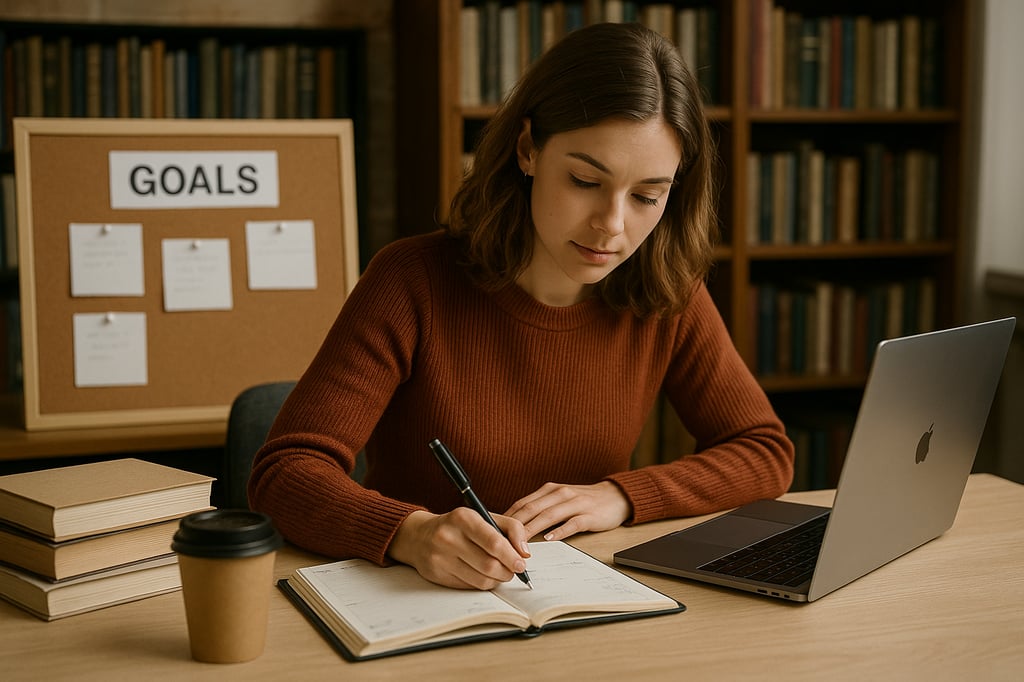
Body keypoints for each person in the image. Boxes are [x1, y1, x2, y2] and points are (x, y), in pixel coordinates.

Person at [248, 22, 793, 591]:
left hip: (581, 600)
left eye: (646, 196)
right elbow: (285, 473)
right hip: (420, 603)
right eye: (585, 180)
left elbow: (763, 451)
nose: (612, 224)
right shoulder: (412, 281)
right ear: (528, 149)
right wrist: (410, 533)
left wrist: (620, 497)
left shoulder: (665, 288)